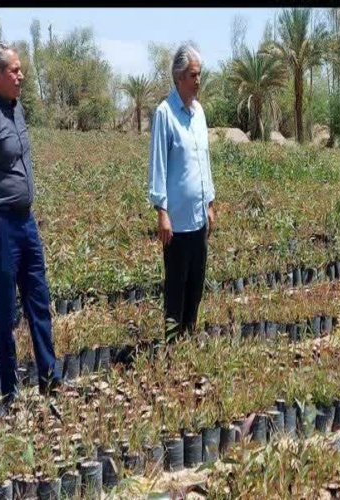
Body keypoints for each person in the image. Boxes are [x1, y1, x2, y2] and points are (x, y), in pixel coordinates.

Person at [0, 42, 62, 407]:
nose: (22, 76)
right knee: (6, 308)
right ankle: (9, 388)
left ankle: (50, 379)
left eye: (21, 69)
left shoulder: (16, 109)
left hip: (25, 222)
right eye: (15, 70)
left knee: (39, 298)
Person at [147, 44, 216, 341]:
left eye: (199, 75)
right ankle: (173, 343)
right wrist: (162, 212)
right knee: (176, 286)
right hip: (176, 222)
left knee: (196, 284)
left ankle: (189, 336)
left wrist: (210, 203)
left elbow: (204, 160)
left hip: (199, 217)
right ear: (179, 78)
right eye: (193, 75)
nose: (198, 81)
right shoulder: (165, 114)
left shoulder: (198, 113)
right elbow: (158, 165)